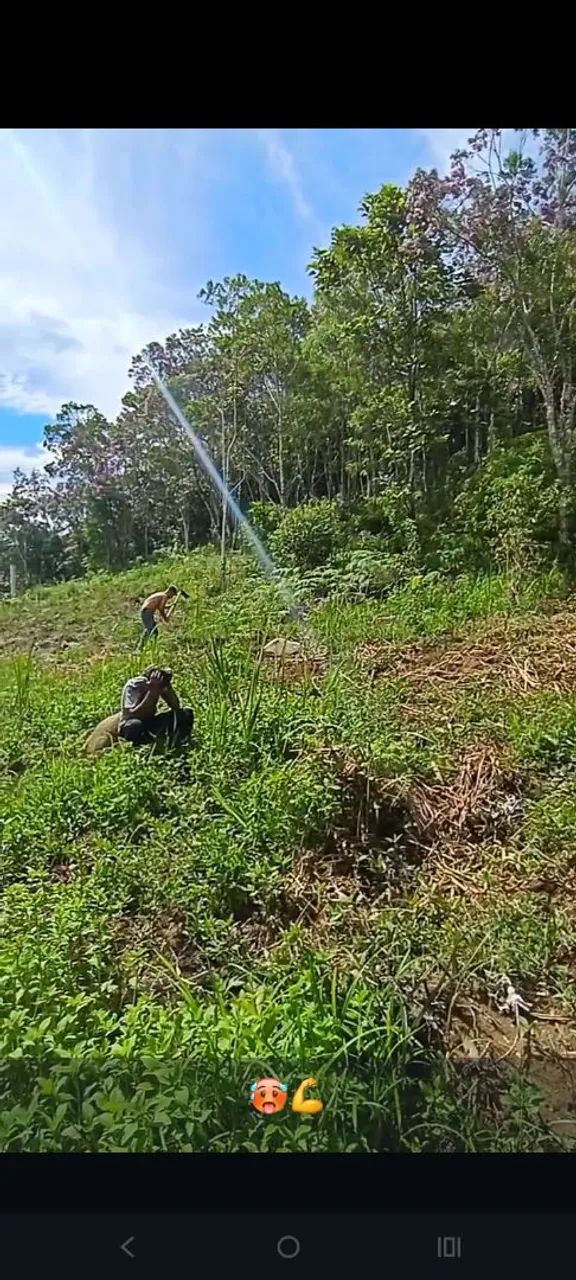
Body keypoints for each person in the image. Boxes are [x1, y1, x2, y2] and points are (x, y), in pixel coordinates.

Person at [119, 666, 194, 748]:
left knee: (185, 714)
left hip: (150, 722)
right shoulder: (135, 685)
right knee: (135, 724)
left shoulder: (159, 685)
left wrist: (167, 688)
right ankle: (136, 748)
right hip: (131, 725)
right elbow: (133, 714)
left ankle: (178, 743)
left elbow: (176, 706)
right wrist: (152, 691)